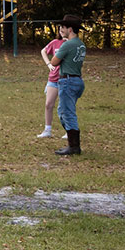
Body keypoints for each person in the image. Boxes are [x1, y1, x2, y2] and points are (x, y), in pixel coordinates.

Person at [51, 15, 86, 156]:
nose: (61, 30)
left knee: (68, 113)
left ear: (70, 29)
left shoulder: (67, 45)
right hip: (77, 81)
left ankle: (74, 147)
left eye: (63, 27)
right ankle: (72, 143)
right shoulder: (81, 44)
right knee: (62, 111)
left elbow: (54, 62)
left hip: (68, 81)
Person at [36, 27, 65, 138]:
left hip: (65, 78)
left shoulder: (71, 44)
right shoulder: (55, 42)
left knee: (64, 107)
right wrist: (48, 64)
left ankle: (68, 130)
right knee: (48, 104)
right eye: (60, 30)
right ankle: (47, 130)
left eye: (64, 30)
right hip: (53, 78)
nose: (61, 32)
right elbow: (43, 51)